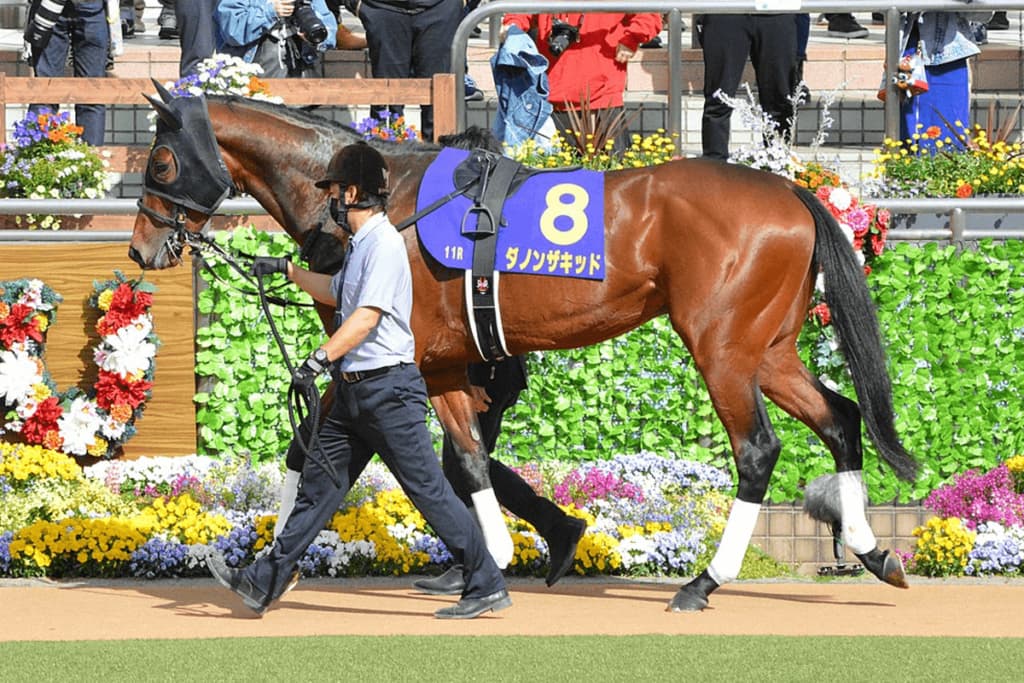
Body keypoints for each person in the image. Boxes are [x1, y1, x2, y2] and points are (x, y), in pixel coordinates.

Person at [208, 142, 511, 620]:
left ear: (352, 193)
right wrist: (288, 272)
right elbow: (336, 292)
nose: (330, 199)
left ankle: (485, 580)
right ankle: (264, 581)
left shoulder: (385, 243)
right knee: (319, 486)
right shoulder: (361, 245)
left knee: (428, 490)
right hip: (356, 393)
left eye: (333, 190)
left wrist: (318, 359)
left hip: (388, 391)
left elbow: (366, 317)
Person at [411, 357, 588, 596]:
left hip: (486, 375)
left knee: (465, 466)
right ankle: (556, 527)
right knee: (467, 466)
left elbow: (484, 321)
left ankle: (475, 565)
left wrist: (476, 378)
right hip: (493, 373)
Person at [501, 11, 661, 152]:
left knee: (611, 177)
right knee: (554, 180)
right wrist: (513, 24)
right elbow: (521, 8)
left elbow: (649, 13)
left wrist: (632, 38)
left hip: (601, 98)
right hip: (553, 95)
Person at [346, 0, 462, 141]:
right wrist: (356, 4)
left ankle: (445, 163)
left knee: (441, 108)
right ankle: (384, 161)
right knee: (386, 110)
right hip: (381, 8)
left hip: (442, 8)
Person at [696, 13, 797, 161]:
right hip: (725, 12)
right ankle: (714, 164)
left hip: (777, 11)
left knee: (780, 98)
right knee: (719, 98)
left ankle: (780, 164)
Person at [892, 10, 992, 154]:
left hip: (950, 50)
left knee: (950, 130)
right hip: (911, 44)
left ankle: (946, 168)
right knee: (910, 136)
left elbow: (985, 12)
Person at [23, 0, 110, 146]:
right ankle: (37, 160)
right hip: (48, 7)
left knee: (91, 95)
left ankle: (92, 163)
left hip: (91, 7)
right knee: (45, 93)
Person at [215, 0, 338, 78]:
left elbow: (329, 31)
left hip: (300, 81)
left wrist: (314, 37)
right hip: (255, 83)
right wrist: (271, 12)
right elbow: (232, 30)